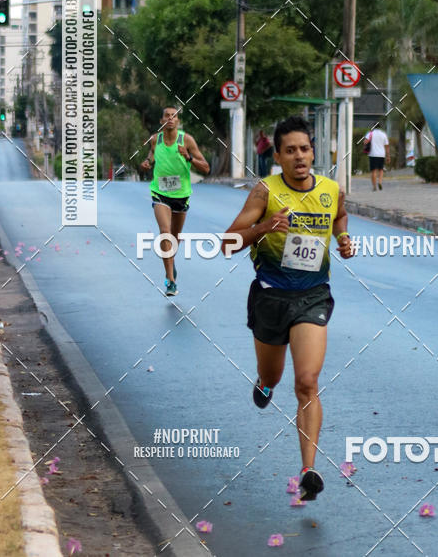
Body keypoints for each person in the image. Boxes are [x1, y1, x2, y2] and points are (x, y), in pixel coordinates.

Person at [223, 115, 354, 502]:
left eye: (305, 149)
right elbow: (228, 242)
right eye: (291, 150)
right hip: (270, 297)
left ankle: (308, 470)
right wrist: (264, 228)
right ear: (277, 156)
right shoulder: (265, 192)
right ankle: (264, 382)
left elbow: (340, 216)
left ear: (313, 152)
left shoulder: (331, 189)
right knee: (274, 375)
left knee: (307, 382)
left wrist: (343, 237)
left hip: (313, 295)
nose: (300, 156)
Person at [140, 107, 210, 296]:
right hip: (159, 192)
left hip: (181, 194)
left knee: (174, 237)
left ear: (178, 121)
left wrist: (189, 157)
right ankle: (170, 279)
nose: (170, 119)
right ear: (161, 120)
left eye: (174, 116)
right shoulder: (156, 139)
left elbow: (205, 167)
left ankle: (171, 264)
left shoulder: (186, 140)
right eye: (167, 116)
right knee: (165, 232)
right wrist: (148, 162)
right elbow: (152, 153)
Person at [365, 126, 390, 191]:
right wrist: (388, 156)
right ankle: (380, 182)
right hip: (381, 155)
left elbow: (365, 142)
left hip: (373, 154)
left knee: (373, 171)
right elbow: (387, 146)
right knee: (381, 170)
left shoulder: (370, 133)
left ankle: (374, 186)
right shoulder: (383, 134)